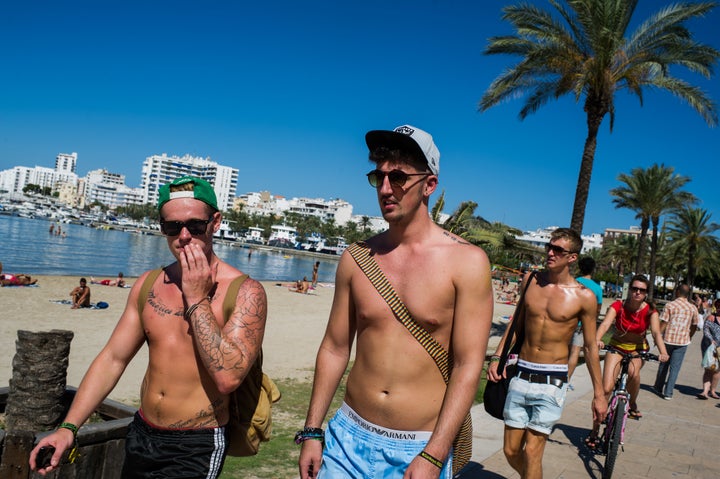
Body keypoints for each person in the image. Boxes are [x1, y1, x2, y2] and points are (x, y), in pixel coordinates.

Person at [30, 175, 267, 478]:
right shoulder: (149, 284)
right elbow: (113, 358)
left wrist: (196, 299)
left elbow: (228, 378)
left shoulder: (246, 292)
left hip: (195, 445)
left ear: (216, 222)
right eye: (172, 227)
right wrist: (68, 427)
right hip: (142, 432)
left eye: (195, 226)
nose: (183, 236)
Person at [298, 124, 494, 478]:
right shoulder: (357, 258)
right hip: (347, 439)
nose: (386, 188)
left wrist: (434, 455)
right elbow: (334, 347)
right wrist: (313, 430)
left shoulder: (467, 262)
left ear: (429, 185)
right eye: (379, 177)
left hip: (418, 448)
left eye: (399, 177)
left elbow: (468, 365)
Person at [487, 228, 607, 479]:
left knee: (532, 452)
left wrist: (599, 395)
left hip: (552, 381)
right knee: (510, 450)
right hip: (521, 374)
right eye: (549, 247)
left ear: (572, 257)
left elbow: (590, 346)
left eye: (558, 250)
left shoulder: (584, 298)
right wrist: (498, 356)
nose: (550, 253)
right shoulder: (531, 280)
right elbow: (516, 324)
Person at [585, 275, 669, 447]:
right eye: (634, 289)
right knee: (606, 389)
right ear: (629, 289)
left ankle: (631, 403)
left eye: (642, 290)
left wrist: (663, 352)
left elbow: (655, 333)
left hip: (638, 349)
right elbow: (605, 324)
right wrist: (597, 339)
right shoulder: (618, 306)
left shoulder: (651, 311)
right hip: (616, 347)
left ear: (646, 293)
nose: (637, 292)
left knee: (633, 373)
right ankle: (594, 431)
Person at [653, 284, 699, 400]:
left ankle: (658, 387)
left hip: (668, 339)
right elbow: (694, 325)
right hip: (682, 342)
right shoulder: (692, 308)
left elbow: (664, 323)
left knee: (663, 364)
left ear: (678, 292)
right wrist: (690, 336)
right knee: (675, 368)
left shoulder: (670, 305)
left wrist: (656, 337)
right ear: (688, 294)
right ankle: (668, 393)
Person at [567, 256, 603, 386]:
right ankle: (566, 382)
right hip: (583, 325)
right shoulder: (597, 288)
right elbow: (597, 310)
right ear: (593, 269)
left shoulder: (573, 282)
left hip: (568, 322)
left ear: (580, 267)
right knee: (574, 353)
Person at [696, 298, 720, 400]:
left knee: (717, 371)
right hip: (710, 347)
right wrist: (711, 340)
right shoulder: (711, 317)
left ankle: (713, 391)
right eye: (718, 306)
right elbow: (706, 330)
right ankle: (705, 391)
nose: (719, 308)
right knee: (709, 368)